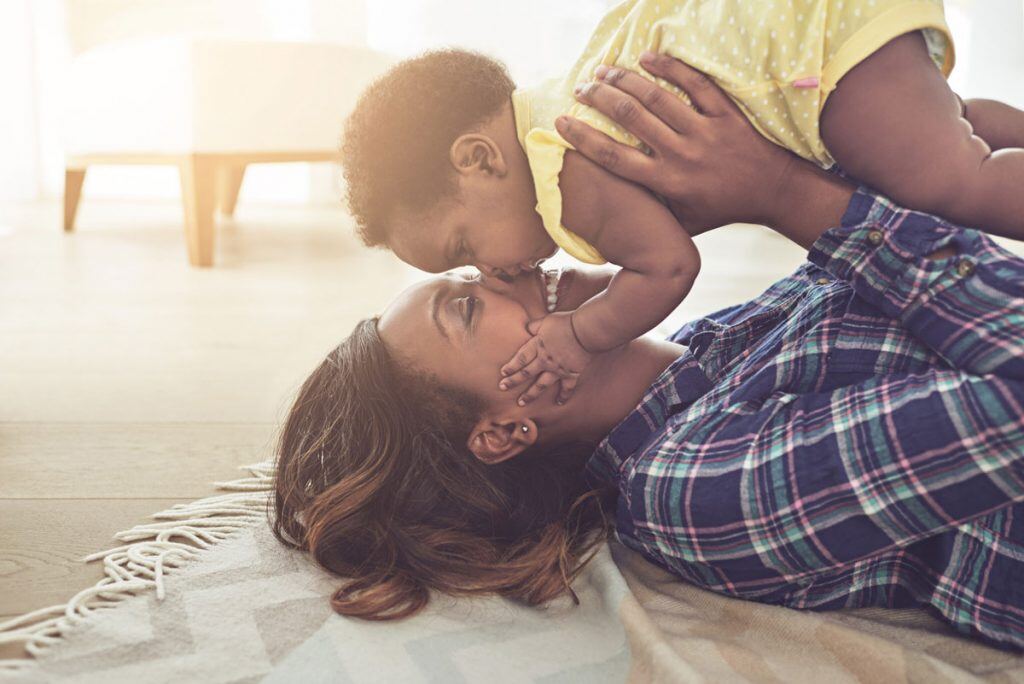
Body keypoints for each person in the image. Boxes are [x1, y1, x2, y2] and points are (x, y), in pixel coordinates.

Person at [273, 57, 1024, 650]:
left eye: (475, 266)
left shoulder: (720, 342)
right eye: (466, 304)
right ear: (502, 430)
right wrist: (782, 196)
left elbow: (920, 236)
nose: (515, 270)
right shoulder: (692, 491)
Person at [340, 0, 1024, 407]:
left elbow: (667, 267)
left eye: (464, 251)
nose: (493, 274)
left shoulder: (568, 175)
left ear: (479, 159)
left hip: (807, 48)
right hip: (803, 45)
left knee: (953, 183)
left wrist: (581, 334)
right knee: (948, 132)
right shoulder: (559, 103)